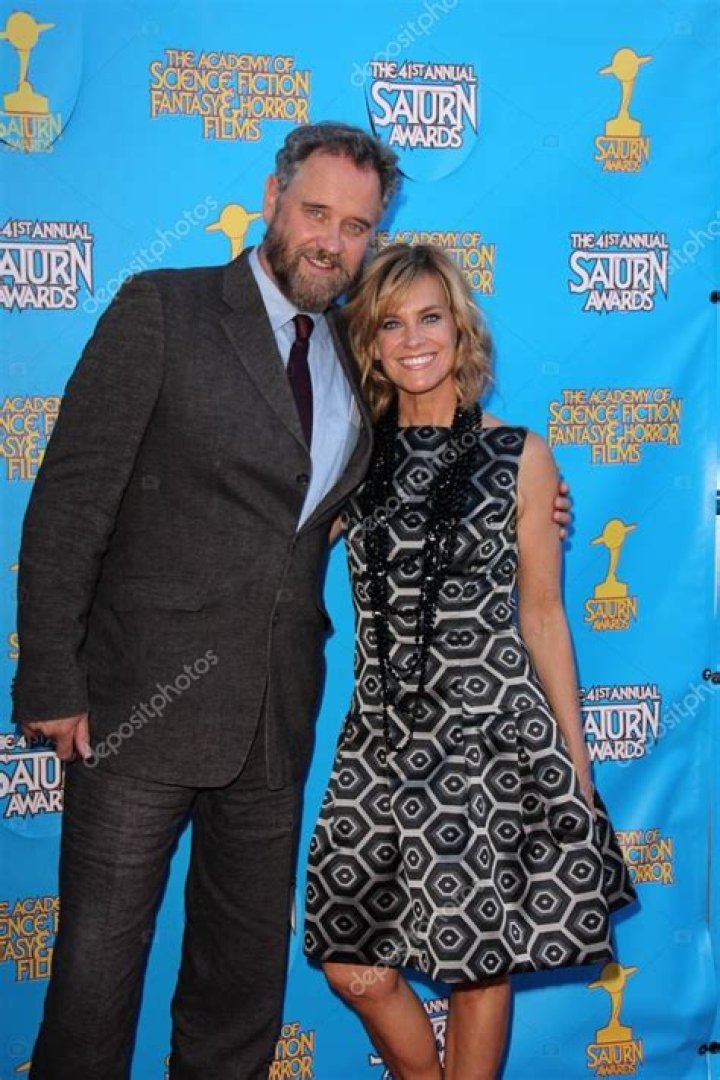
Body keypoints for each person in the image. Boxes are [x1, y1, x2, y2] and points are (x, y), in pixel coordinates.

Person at [13, 123, 570, 1078]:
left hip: (276, 723)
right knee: (97, 978)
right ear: (273, 199)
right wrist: (53, 684)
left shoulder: (354, 360)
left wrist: (532, 498)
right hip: (135, 710)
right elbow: (71, 501)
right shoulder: (165, 309)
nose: (331, 241)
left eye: (356, 227)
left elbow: (415, 480)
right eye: (317, 213)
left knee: (240, 985)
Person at [303, 243, 636, 1080]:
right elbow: (279, 539)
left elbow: (543, 614)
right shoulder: (352, 457)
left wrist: (576, 761)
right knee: (352, 963)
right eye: (390, 324)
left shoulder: (521, 455)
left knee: (478, 963)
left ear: (460, 329)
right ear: (370, 343)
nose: (414, 340)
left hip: (490, 738)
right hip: (379, 740)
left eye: (430, 318)